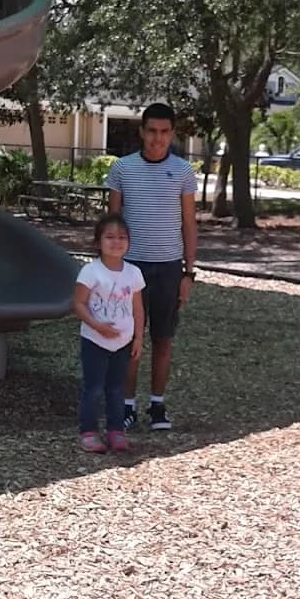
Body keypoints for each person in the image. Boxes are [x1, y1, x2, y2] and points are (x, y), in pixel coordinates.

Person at [106, 102, 197, 431]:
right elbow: (112, 224)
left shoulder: (184, 172)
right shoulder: (122, 169)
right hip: (131, 268)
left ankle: (157, 405)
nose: (157, 138)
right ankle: (126, 405)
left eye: (164, 132)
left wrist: (189, 272)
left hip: (169, 267)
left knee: (163, 338)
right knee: (130, 339)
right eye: (151, 131)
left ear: (172, 134)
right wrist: (110, 270)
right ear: (141, 132)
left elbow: (189, 223)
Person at [72, 213, 145, 454]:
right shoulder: (91, 272)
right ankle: (89, 431)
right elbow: (78, 304)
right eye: (110, 237)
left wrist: (138, 337)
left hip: (122, 342)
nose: (117, 242)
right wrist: (97, 326)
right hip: (95, 339)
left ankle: (116, 429)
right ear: (98, 242)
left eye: (122, 237)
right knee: (93, 387)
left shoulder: (133, 273)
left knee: (117, 387)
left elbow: (137, 308)